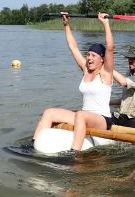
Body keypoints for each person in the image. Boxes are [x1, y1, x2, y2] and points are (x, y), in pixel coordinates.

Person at [32, 12, 114, 151]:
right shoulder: (86, 69)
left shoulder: (106, 74)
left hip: (102, 120)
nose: (89, 58)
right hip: (83, 116)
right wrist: (66, 25)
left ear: (102, 59)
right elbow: (73, 47)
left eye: (93, 55)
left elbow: (110, 48)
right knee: (49, 112)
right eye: (88, 55)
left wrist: (105, 23)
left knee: (81, 115)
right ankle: (33, 144)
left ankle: (74, 153)